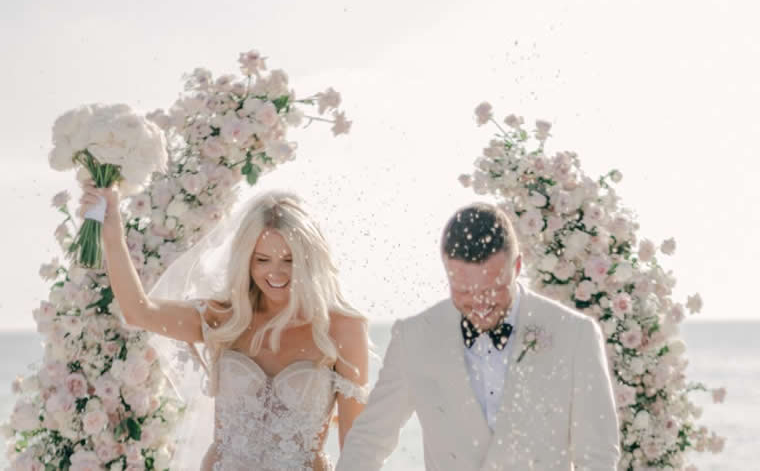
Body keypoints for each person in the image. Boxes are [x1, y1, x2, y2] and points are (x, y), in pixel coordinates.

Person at [78, 184, 370, 471]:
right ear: (247, 261)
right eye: (263, 260)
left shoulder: (342, 329)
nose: (276, 272)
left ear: (309, 259)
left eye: (289, 260)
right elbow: (139, 311)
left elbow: (356, 450)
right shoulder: (225, 318)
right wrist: (113, 227)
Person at [336, 203, 620, 470]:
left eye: (492, 289)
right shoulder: (413, 337)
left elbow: (597, 454)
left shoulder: (574, 334)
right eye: (464, 291)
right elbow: (369, 440)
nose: (480, 304)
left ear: (517, 267)